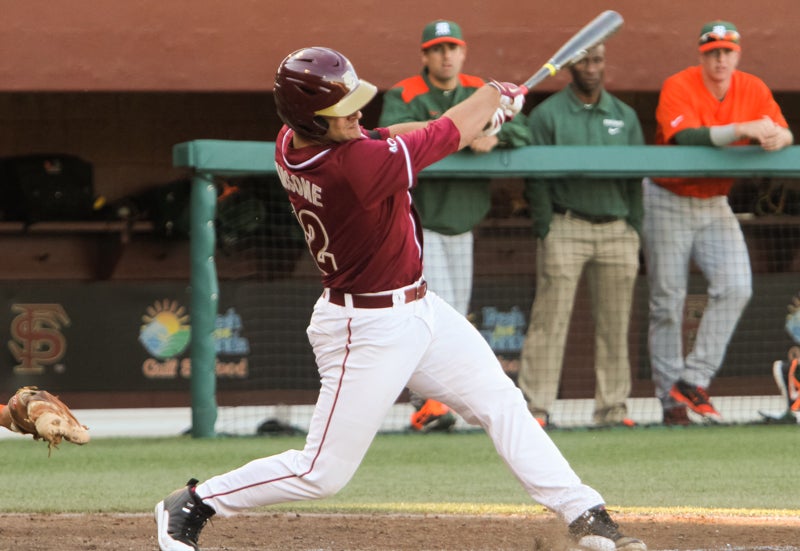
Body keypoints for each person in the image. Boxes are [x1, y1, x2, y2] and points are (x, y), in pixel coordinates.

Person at [155, 46, 647, 551]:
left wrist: (480, 116)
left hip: (421, 310)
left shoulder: (292, 140)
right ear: (313, 120)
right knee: (322, 473)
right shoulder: (352, 169)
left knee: (502, 403)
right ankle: (195, 501)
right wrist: (493, 97)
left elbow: (394, 135)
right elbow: (441, 136)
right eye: (341, 110)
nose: (356, 114)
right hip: (366, 329)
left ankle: (583, 512)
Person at [378, 20, 532, 432]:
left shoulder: (481, 89)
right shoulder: (405, 92)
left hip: (464, 222)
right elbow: (398, 141)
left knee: (454, 316)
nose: (446, 55)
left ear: (463, 52)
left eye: (453, 48)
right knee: (430, 315)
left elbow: (521, 128)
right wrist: (466, 134)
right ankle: (427, 401)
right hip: (420, 225)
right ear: (425, 56)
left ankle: (440, 402)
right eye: (437, 49)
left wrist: (495, 135)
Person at [644, 20, 793, 425]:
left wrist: (780, 137)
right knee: (667, 302)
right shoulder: (680, 84)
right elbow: (685, 138)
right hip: (667, 197)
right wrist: (743, 128)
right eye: (713, 51)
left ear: (737, 54)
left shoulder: (753, 87)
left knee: (737, 286)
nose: (720, 58)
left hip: (714, 202)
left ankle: (692, 380)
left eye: (727, 51)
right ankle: (669, 401)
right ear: (702, 54)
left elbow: (781, 130)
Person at [517, 43, 644, 429]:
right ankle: (536, 409)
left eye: (598, 60)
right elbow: (534, 177)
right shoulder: (548, 114)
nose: (592, 67)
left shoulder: (624, 115)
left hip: (616, 228)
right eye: (584, 61)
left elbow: (637, 177)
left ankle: (613, 409)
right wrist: (546, 225)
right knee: (549, 322)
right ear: (570, 67)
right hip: (566, 225)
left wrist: (633, 227)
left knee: (615, 324)